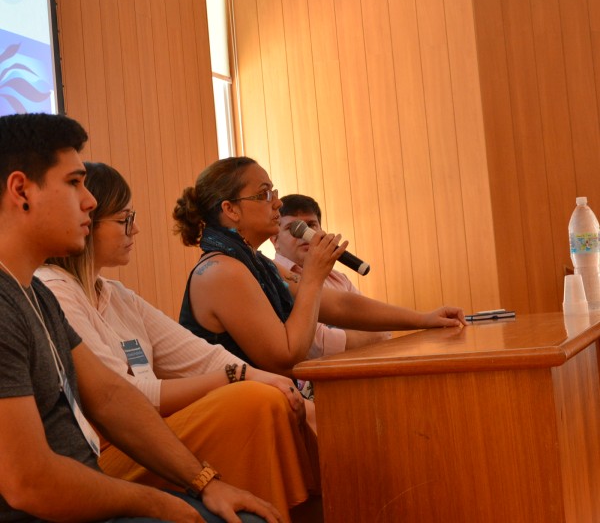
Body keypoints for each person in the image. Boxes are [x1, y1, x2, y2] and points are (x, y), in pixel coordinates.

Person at [0, 113, 279, 523]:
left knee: (244, 512)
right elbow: (30, 483)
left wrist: (205, 483)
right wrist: (161, 503)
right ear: (21, 190)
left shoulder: (35, 294)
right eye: (74, 183)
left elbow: (111, 398)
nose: (90, 201)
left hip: (88, 497)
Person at [36, 162, 316, 522]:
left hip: (145, 429)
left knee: (270, 396)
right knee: (255, 400)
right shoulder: (53, 289)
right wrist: (240, 376)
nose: (135, 229)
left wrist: (255, 377)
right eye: (124, 219)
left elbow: (201, 357)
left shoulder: (114, 293)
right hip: (111, 449)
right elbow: (124, 399)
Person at [173, 156, 466, 378]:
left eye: (274, 193)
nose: (276, 204)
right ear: (230, 209)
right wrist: (313, 277)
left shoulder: (253, 262)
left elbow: (341, 307)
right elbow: (285, 356)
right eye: (264, 195)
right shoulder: (221, 271)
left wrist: (423, 319)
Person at [272, 193, 390, 359]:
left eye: (311, 225)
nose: (305, 235)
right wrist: (374, 336)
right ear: (275, 240)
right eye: (293, 228)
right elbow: (317, 346)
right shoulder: (273, 277)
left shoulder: (338, 278)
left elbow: (377, 325)